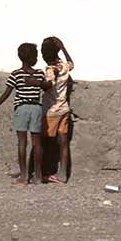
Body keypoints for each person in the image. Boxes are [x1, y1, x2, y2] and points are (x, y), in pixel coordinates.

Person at [0, 43, 52, 186]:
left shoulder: (15, 74)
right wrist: (37, 83)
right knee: (37, 143)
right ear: (32, 58)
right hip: (36, 108)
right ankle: (38, 176)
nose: (37, 58)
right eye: (35, 56)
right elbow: (48, 87)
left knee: (22, 142)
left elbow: (7, 93)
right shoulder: (40, 73)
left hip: (21, 108)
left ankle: (24, 176)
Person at [41, 36, 74, 183]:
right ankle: (63, 174)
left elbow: (49, 85)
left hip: (51, 111)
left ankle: (44, 172)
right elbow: (71, 63)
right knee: (63, 142)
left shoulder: (50, 70)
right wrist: (63, 47)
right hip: (64, 109)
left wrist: (36, 83)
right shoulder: (64, 67)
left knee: (45, 143)